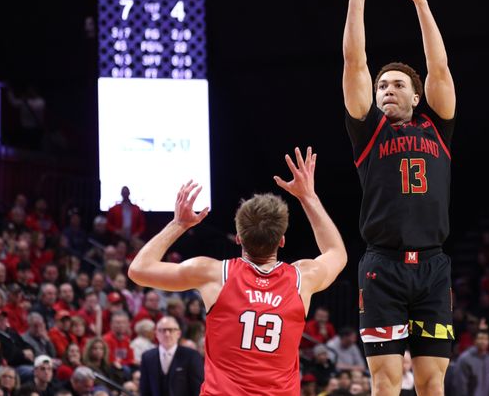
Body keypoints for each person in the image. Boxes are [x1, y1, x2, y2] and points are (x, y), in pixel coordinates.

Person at [128, 147, 347, 395]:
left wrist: (179, 224)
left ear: (238, 239)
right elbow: (336, 253)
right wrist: (308, 197)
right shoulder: (302, 278)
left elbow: (139, 270)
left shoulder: (212, 273)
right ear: (282, 240)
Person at [339, 0, 456, 396]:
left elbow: (440, 66)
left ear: (416, 96)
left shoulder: (438, 128)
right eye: (382, 84)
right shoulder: (369, 132)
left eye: (398, 84)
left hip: (432, 266)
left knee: (431, 383)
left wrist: (420, 2)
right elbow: (354, 62)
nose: (387, 89)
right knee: (384, 383)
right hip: (382, 265)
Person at [139, 316, 203, 396]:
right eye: (162, 330)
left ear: (178, 333)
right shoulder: (147, 357)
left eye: (171, 330)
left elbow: (197, 388)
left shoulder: (192, 356)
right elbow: (144, 388)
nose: (167, 334)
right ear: (156, 334)